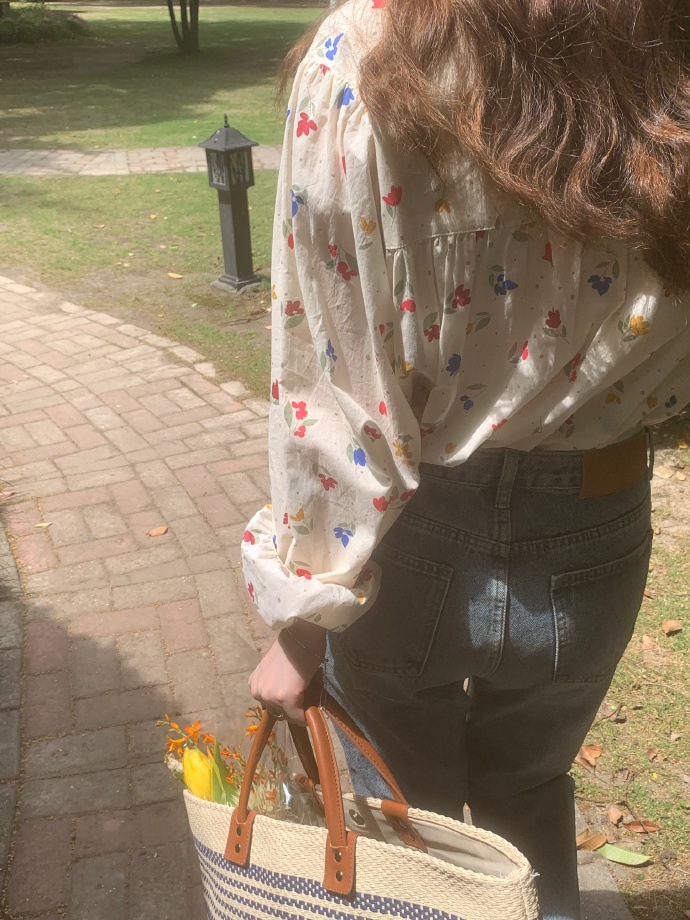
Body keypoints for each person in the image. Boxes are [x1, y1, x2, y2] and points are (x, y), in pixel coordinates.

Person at [243, 2, 690, 917]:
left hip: (413, 528)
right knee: (530, 789)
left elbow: (337, 378)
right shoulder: (668, 48)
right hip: (598, 515)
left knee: (408, 822)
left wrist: (304, 615)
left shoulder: (366, 52)